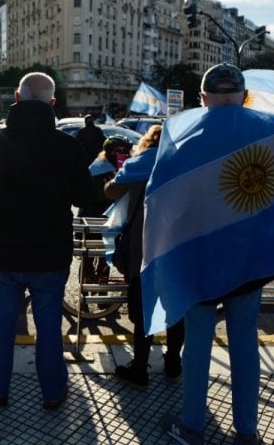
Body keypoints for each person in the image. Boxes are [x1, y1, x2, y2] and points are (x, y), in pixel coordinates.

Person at [152, 63, 274, 445]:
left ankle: (192, 426)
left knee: (197, 344)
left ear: (203, 98)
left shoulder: (181, 139)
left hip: (198, 261)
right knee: (244, 343)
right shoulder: (272, 132)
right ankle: (247, 432)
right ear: (243, 95)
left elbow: (161, 203)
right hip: (249, 261)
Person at [0, 72, 93, 409]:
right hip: (51, 256)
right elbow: (84, 194)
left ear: (16, 100)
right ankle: (52, 393)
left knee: (2, 326)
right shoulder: (68, 146)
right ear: (52, 104)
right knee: (49, 328)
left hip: (4, 254)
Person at [104, 125, 185, 388]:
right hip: (177, 246)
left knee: (143, 309)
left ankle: (140, 368)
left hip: (144, 249)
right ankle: (173, 364)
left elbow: (110, 192)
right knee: (176, 308)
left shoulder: (138, 164)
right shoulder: (185, 164)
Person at [79, 134, 132, 283]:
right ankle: (88, 275)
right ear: (109, 151)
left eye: (125, 150)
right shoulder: (97, 169)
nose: (123, 154)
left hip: (112, 216)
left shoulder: (121, 167)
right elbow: (93, 196)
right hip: (94, 216)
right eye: (118, 150)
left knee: (106, 254)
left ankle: (100, 277)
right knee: (93, 250)